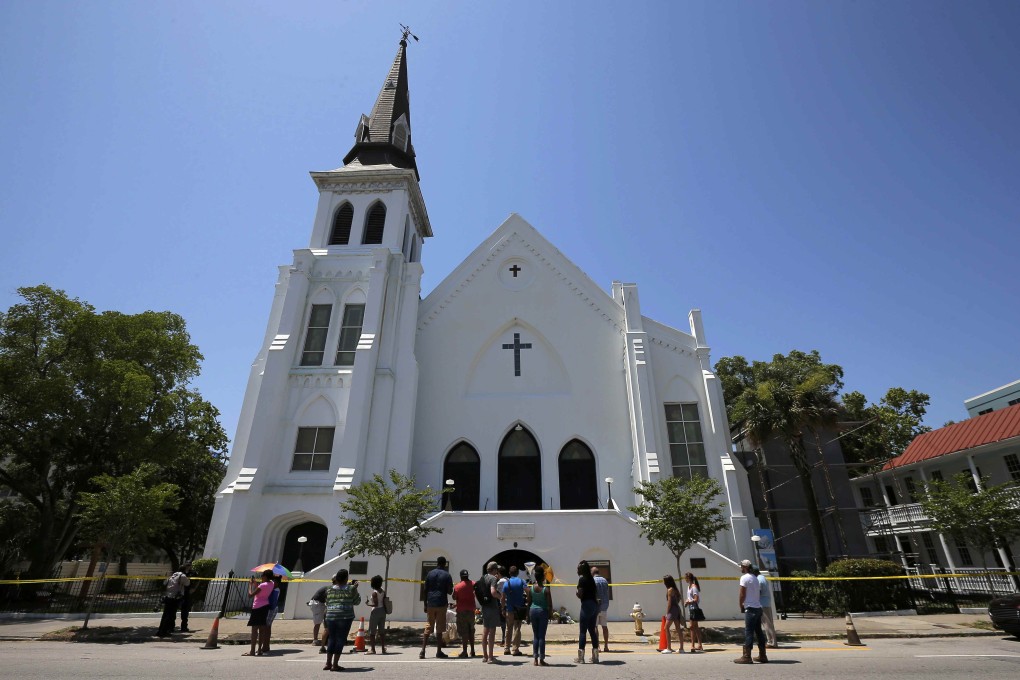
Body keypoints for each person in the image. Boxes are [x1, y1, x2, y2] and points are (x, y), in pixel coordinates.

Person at [324, 569, 361, 671]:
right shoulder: (351, 589)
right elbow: (357, 601)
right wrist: (355, 588)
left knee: (332, 638)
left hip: (330, 616)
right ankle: (335, 664)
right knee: (340, 639)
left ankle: (328, 663)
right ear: (346, 578)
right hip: (345, 616)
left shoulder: (329, 589)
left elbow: (327, 601)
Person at [420, 555, 454, 659]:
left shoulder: (430, 574)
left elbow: (425, 590)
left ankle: (423, 651)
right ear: (444, 564)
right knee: (439, 629)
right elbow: (450, 591)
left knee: (428, 626)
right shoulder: (447, 575)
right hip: (441, 603)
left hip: (431, 603)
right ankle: (439, 652)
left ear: (437, 563)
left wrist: (425, 604)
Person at [734, 559, 767, 664]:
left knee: (749, 632)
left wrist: (741, 605)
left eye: (742, 566)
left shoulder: (744, 578)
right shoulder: (755, 578)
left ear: (745, 567)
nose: (741, 568)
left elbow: (742, 594)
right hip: (758, 608)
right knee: (759, 632)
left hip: (750, 608)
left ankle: (747, 656)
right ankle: (763, 655)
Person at [526, 565, 553, 666]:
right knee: (542, 636)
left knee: (535, 636)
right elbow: (550, 604)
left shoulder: (531, 588)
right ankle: (541, 659)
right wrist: (550, 614)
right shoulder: (546, 590)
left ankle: (535, 659)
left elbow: (528, 603)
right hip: (542, 612)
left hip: (533, 611)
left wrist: (527, 616)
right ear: (543, 577)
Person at [243, 569, 274, 656]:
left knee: (254, 630)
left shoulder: (262, 585)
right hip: (265, 606)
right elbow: (261, 589)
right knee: (262, 630)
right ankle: (259, 650)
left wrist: (250, 585)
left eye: (262, 576)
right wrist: (256, 584)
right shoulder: (271, 584)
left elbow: (250, 595)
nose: (261, 577)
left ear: (265, 576)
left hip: (257, 607)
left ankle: (252, 651)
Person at [575, 559, 600, 664]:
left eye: (578, 568)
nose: (576, 570)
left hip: (586, 605)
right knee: (592, 630)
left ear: (581, 569)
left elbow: (580, 594)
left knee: (582, 631)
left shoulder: (582, 580)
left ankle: (581, 657)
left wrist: (577, 592)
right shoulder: (591, 579)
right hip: (594, 605)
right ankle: (595, 657)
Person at [157, 566, 191, 637]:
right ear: (184, 570)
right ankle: (164, 631)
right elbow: (187, 583)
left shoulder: (171, 576)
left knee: (165, 614)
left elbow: (164, 583)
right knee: (170, 615)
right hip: (175, 598)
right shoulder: (182, 576)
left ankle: (160, 630)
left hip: (167, 596)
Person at [478, 561, 502, 664]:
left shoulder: (482, 578)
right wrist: (499, 596)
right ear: (494, 570)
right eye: (497, 569)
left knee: (485, 632)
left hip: (484, 607)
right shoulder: (493, 579)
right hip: (492, 607)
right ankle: (491, 657)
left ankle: (485, 656)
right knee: (492, 632)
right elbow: (493, 592)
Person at [501, 565, 526, 656]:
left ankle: (506, 648)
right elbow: (527, 591)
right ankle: (515, 649)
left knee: (508, 628)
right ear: (518, 573)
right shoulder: (521, 581)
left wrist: (503, 608)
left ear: (509, 573)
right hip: (519, 609)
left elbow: (503, 598)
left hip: (509, 608)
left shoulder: (506, 583)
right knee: (517, 628)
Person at [453, 569, 476, 658]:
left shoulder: (457, 586)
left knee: (464, 632)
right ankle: (473, 650)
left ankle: (465, 651)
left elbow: (454, 596)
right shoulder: (473, 584)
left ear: (461, 577)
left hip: (461, 611)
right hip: (471, 610)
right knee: (471, 630)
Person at [753, 565, 777, 648]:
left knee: (767, 624)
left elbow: (758, 592)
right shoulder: (763, 578)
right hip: (766, 603)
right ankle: (771, 641)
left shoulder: (759, 580)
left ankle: (772, 642)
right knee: (769, 623)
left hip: (762, 604)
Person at [660, 575, 685, 654]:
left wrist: (667, 613)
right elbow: (679, 598)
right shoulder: (675, 589)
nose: (663, 582)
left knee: (666, 628)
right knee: (678, 629)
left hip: (672, 610)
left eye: (664, 581)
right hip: (677, 609)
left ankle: (669, 648)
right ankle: (681, 648)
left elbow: (669, 603)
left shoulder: (670, 590)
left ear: (667, 582)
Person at [684, 572, 705, 652]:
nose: (685, 579)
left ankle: (693, 645)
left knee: (692, 627)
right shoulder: (688, 587)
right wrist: (687, 601)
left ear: (689, 578)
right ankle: (699, 645)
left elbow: (696, 599)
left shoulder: (694, 587)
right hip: (690, 608)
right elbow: (690, 597)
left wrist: (689, 602)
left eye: (686, 578)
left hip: (694, 609)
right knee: (695, 627)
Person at [592, 566, 610, 653]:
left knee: (595, 627)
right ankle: (606, 646)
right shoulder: (604, 580)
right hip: (604, 606)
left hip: (596, 606)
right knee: (604, 626)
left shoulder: (593, 581)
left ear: (593, 573)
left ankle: (598, 646)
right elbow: (607, 592)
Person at [367, 574, 387, 654]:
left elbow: (375, 604)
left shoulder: (374, 593)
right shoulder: (382, 591)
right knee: (382, 631)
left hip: (375, 612)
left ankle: (373, 649)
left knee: (372, 632)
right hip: (383, 611)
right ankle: (383, 648)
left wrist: (368, 604)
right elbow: (384, 601)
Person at [261, 575, 281, 654]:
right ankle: (266, 645)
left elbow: (272, 601)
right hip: (272, 608)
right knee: (267, 627)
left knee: (266, 628)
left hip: (271, 609)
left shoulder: (275, 590)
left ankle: (265, 646)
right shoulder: (274, 589)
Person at [178, 561, 197, 633]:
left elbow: (197, 581)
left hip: (187, 593)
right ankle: (171, 626)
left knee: (185, 610)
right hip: (179, 593)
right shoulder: (181, 573)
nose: (188, 566)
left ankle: (184, 626)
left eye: (189, 565)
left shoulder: (193, 573)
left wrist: (194, 589)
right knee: (174, 609)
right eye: (187, 565)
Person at [308, 583, 328, 650]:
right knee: (318, 622)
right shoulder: (329, 589)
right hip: (317, 604)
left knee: (320, 622)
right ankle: (315, 640)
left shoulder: (328, 588)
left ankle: (317, 639)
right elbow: (327, 599)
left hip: (318, 603)